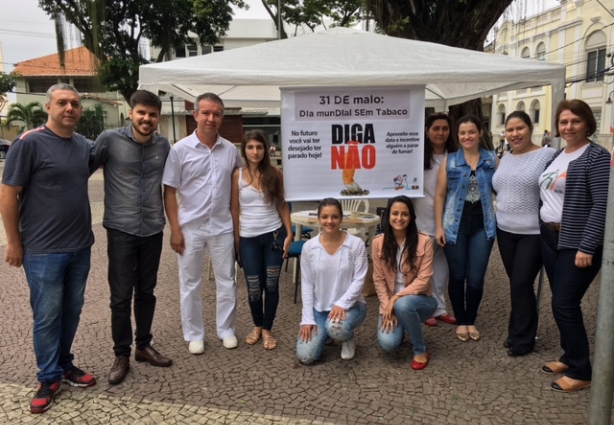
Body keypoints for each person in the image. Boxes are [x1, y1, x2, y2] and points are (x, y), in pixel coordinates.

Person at [0, 84, 96, 413]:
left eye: (75, 103)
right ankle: (48, 376)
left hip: (80, 246)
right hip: (42, 251)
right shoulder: (29, 143)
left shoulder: (84, 146)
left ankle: (65, 366)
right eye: (62, 103)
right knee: (47, 316)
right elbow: (8, 194)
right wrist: (14, 241)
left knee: (71, 311)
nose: (69, 108)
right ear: (48, 107)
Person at [90, 90, 172, 385]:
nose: (146, 119)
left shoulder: (164, 146)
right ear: (130, 112)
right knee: (121, 296)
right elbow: (80, 172)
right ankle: (121, 353)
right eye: (142, 113)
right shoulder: (109, 140)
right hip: (121, 230)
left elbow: (173, 184)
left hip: (153, 228)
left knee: (147, 291)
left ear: (158, 117)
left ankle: (144, 346)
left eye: (152, 114)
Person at [538, 99, 609, 393]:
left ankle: (582, 369)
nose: (568, 127)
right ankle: (569, 356)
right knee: (560, 299)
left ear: (587, 123)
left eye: (575, 121)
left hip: (577, 242)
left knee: (564, 304)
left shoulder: (597, 156)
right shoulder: (555, 155)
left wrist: (588, 246)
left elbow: (602, 205)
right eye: (564, 122)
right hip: (550, 237)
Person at [163, 92, 242, 355]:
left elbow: (237, 190)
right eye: (206, 113)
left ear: (222, 118)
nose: (211, 118)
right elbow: (169, 191)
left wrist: (237, 228)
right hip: (190, 227)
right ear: (195, 115)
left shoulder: (230, 150)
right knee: (190, 283)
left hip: (221, 226)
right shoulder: (180, 150)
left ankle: (226, 329)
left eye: (216, 114)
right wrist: (175, 230)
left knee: (227, 280)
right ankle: (194, 333)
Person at [492, 111, 555, 357]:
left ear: (530, 128)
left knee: (521, 282)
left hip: (533, 231)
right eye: (510, 130)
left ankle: (524, 339)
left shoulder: (547, 155)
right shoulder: (505, 157)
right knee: (517, 284)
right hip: (505, 229)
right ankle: (516, 330)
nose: (515, 134)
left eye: (520, 128)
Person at [434, 115, 498, 343]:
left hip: (484, 226)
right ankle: (461, 320)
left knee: (476, 278)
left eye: (471, 132)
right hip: (455, 225)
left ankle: (471, 318)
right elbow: (440, 195)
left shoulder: (492, 159)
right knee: (458, 275)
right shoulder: (449, 161)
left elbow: (503, 189)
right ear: (457, 136)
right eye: (462, 133)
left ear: (480, 133)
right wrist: (439, 227)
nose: (467, 136)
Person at [230, 129, 293, 350]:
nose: (255, 151)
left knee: (272, 284)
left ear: (265, 149)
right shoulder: (237, 175)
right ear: (244, 150)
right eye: (250, 147)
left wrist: (290, 233)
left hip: (274, 237)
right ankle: (257, 325)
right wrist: (236, 240)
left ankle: (267, 328)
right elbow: (234, 209)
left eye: (259, 147)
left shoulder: (275, 173)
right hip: (248, 239)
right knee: (254, 287)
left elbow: (283, 205)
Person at [296, 198, 368, 363]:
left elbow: (359, 279)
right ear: (319, 219)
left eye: (335, 217)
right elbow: (307, 284)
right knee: (306, 357)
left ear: (341, 218)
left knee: (337, 329)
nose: (330, 221)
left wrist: (341, 303)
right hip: (320, 309)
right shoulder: (309, 248)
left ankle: (346, 337)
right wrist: (307, 318)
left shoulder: (356, 244)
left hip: (351, 306)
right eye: (325, 217)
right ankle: (326, 333)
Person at [373, 196, 437, 370]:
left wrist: (395, 300)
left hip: (421, 300)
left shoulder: (424, 241)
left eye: (404, 214)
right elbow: (378, 280)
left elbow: (424, 280)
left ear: (411, 217)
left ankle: (420, 350)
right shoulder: (378, 243)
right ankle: (403, 323)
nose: (399, 218)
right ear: (388, 216)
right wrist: (388, 304)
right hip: (390, 304)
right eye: (395, 213)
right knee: (389, 344)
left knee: (403, 305)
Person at [414, 112, 457, 327]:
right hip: (422, 218)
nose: (440, 132)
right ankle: (424, 308)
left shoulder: (457, 156)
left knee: (442, 269)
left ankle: (440, 307)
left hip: (449, 222)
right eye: (435, 128)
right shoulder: (417, 156)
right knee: (423, 268)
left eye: (445, 128)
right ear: (426, 132)